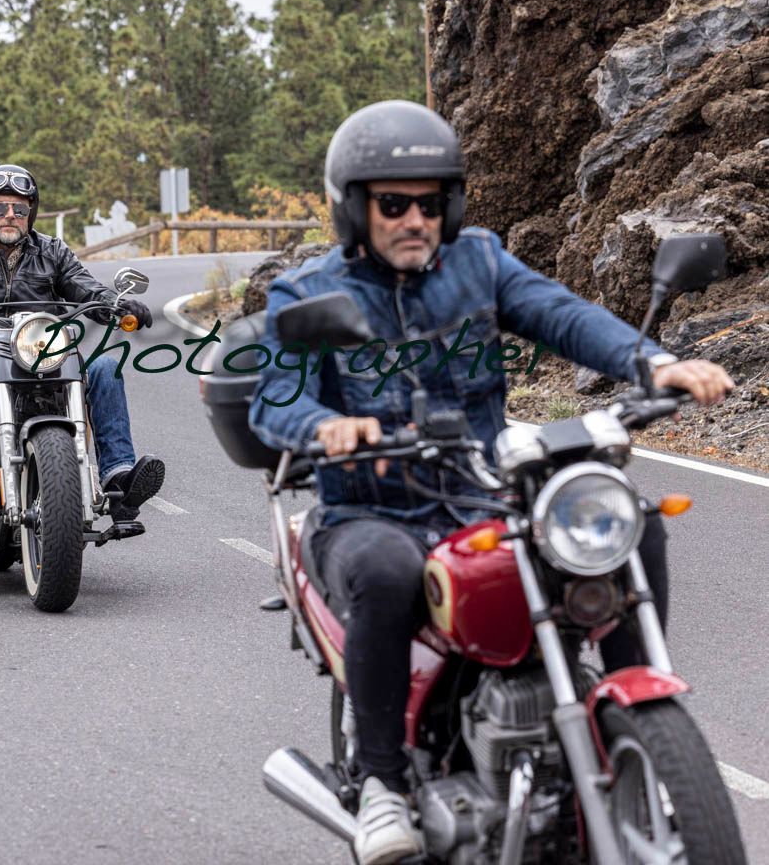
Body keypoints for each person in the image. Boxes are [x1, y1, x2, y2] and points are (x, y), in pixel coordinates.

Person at [247, 100, 734, 865]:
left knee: (629, 518)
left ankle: (633, 712)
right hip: (370, 505)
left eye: (431, 201)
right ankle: (380, 784)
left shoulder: (478, 261)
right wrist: (322, 428)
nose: (416, 217)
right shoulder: (307, 294)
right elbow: (276, 396)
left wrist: (652, 363)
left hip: (479, 490)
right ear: (354, 209)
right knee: (386, 570)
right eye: (394, 203)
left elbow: (559, 314)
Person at [0, 163, 165, 540]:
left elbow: (86, 287)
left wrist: (117, 304)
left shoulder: (52, 250)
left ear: (31, 212)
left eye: (20, 209)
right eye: (0, 208)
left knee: (106, 368)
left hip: (44, 356)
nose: (10, 215)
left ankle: (119, 482)